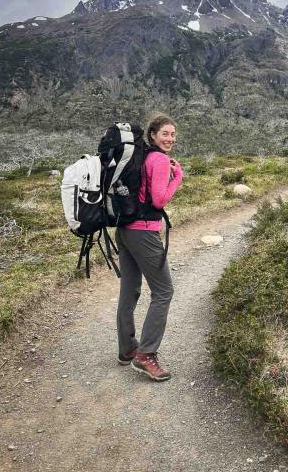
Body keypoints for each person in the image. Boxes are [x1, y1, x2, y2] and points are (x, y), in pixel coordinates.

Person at [115, 114, 183, 381]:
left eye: (173, 134)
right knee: (164, 291)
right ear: (152, 135)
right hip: (143, 232)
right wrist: (177, 178)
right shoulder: (160, 160)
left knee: (129, 289)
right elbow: (158, 200)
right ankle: (145, 355)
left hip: (125, 229)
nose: (170, 139)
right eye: (165, 133)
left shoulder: (141, 157)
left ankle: (127, 350)